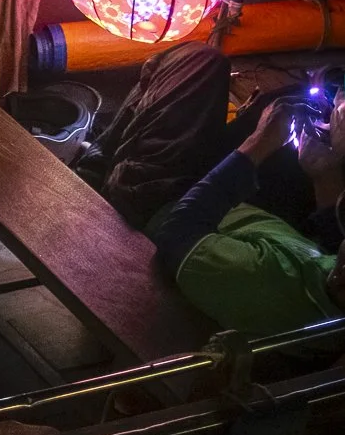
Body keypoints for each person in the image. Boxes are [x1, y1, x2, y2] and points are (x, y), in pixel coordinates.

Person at [84, 42, 345, 335]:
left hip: (163, 204)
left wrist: (259, 143)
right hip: (243, 215)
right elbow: (334, 238)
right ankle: (114, 152)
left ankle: (95, 166)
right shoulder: (329, 276)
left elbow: (179, 231)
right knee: (291, 103)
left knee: (200, 62)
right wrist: (326, 175)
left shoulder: (270, 285)